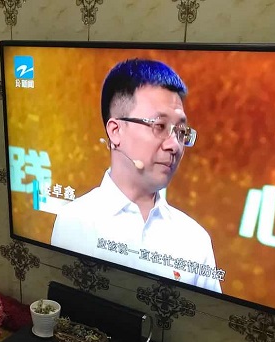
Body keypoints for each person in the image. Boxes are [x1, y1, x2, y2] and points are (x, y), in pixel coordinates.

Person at [50, 59, 222, 292]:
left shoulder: (194, 240)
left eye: (181, 131)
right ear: (115, 131)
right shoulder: (74, 221)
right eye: (160, 126)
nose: (175, 145)